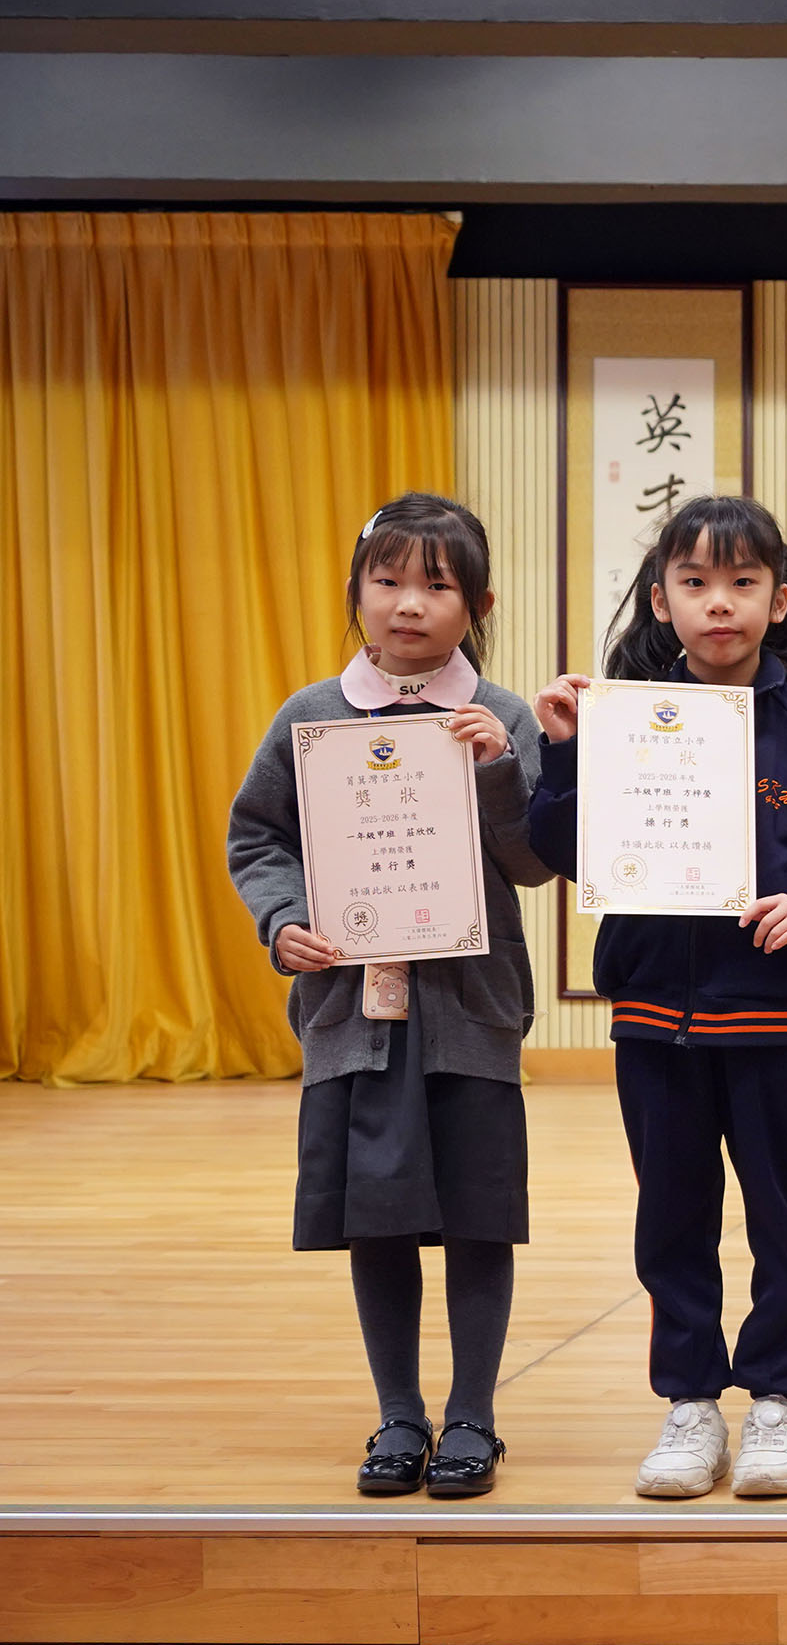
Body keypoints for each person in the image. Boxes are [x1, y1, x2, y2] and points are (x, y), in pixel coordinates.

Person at [528, 496, 787, 1501]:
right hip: (655, 1018)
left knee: (782, 1217)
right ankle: (690, 1401)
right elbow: (564, 849)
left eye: (742, 583)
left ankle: (778, 1398)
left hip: (775, 1019)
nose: (719, 603)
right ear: (662, 601)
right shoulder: (622, 717)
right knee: (671, 1220)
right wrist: (563, 748)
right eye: (695, 583)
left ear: (780, 599)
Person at [227, 494, 553, 1499]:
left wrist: (499, 771)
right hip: (353, 1016)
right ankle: (400, 1414)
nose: (408, 603)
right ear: (357, 591)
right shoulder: (311, 716)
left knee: (480, 1216)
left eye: (436, 585)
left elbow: (534, 861)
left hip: (471, 1015)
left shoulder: (500, 717)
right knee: (376, 1215)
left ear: (477, 605)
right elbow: (257, 837)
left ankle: (473, 1415)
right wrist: (283, 920)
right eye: (388, 580)